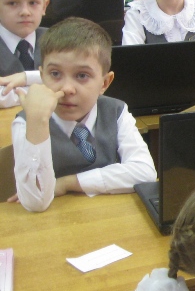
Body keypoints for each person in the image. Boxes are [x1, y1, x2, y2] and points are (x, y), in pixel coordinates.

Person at [9, 17, 156, 212]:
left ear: (104, 83)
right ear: (42, 76)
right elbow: (35, 202)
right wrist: (37, 122)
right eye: (55, 74)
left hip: (107, 217)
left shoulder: (116, 111)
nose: (67, 88)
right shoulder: (26, 122)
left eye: (82, 76)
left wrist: (67, 183)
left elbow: (145, 172)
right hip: (53, 223)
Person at [0, 0, 48, 108]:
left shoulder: (56, 39)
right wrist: (46, 83)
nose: (25, 12)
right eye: (12, 3)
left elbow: (73, 81)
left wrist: (27, 78)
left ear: (44, 6)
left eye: (33, 3)